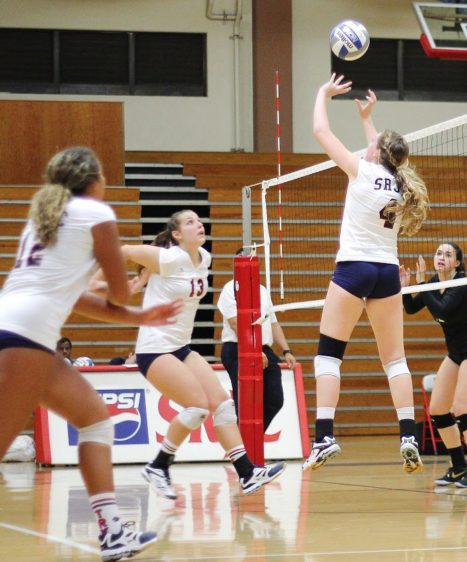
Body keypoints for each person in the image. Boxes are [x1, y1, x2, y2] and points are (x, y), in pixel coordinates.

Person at [0, 146, 182, 560]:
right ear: (96, 180)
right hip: (24, 336)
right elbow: (117, 291)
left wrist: (138, 316)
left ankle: (114, 532)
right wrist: (126, 293)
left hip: (21, 329)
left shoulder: (42, 220)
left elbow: (74, 298)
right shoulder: (96, 214)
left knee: (96, 420)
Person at [302, 74, 429, 473]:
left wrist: (323, 92)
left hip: (354, 268)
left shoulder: (359, 170)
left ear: (375, 151)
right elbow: (388, 154)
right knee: (395, 360)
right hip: (387, 272)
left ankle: (324, 437)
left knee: (328, 357)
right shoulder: (400, 183)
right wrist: (368, 121)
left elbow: (320, 130)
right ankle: (408, 434)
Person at [122, 210, 285, 500]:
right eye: (189, 222)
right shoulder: (171, 257)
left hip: (181, 346)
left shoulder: (204, 259)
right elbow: (127, 251)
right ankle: (158, 466)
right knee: (196, 407)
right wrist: (119, 277)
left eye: (199, 220)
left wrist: (144, 276)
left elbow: (158, 264)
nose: (198, 225)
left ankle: (247, 474)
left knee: (222, 404)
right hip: (154, 348)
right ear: (176, 235)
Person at [401, 243, 467, 488]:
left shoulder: (461, 283)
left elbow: (442, 309)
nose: (442, 257)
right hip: (456, 354)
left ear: (457, 263)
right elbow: (412, 308)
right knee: (439, 411)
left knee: (462, 409)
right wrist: (405, 287)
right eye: (439, 253)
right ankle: (458, 466)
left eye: (448, 254)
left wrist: (422, 285)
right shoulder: (434, 280)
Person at [217, 267, 296, 431]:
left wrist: (286, 350)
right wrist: (253, 350)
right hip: (237, 349)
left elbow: (273, 322)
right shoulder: (230, 289)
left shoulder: (262, 290)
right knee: (245, 403)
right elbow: (234, 323)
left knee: (275, 400)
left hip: (263, 349)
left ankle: (247, 445)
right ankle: (243, 450)